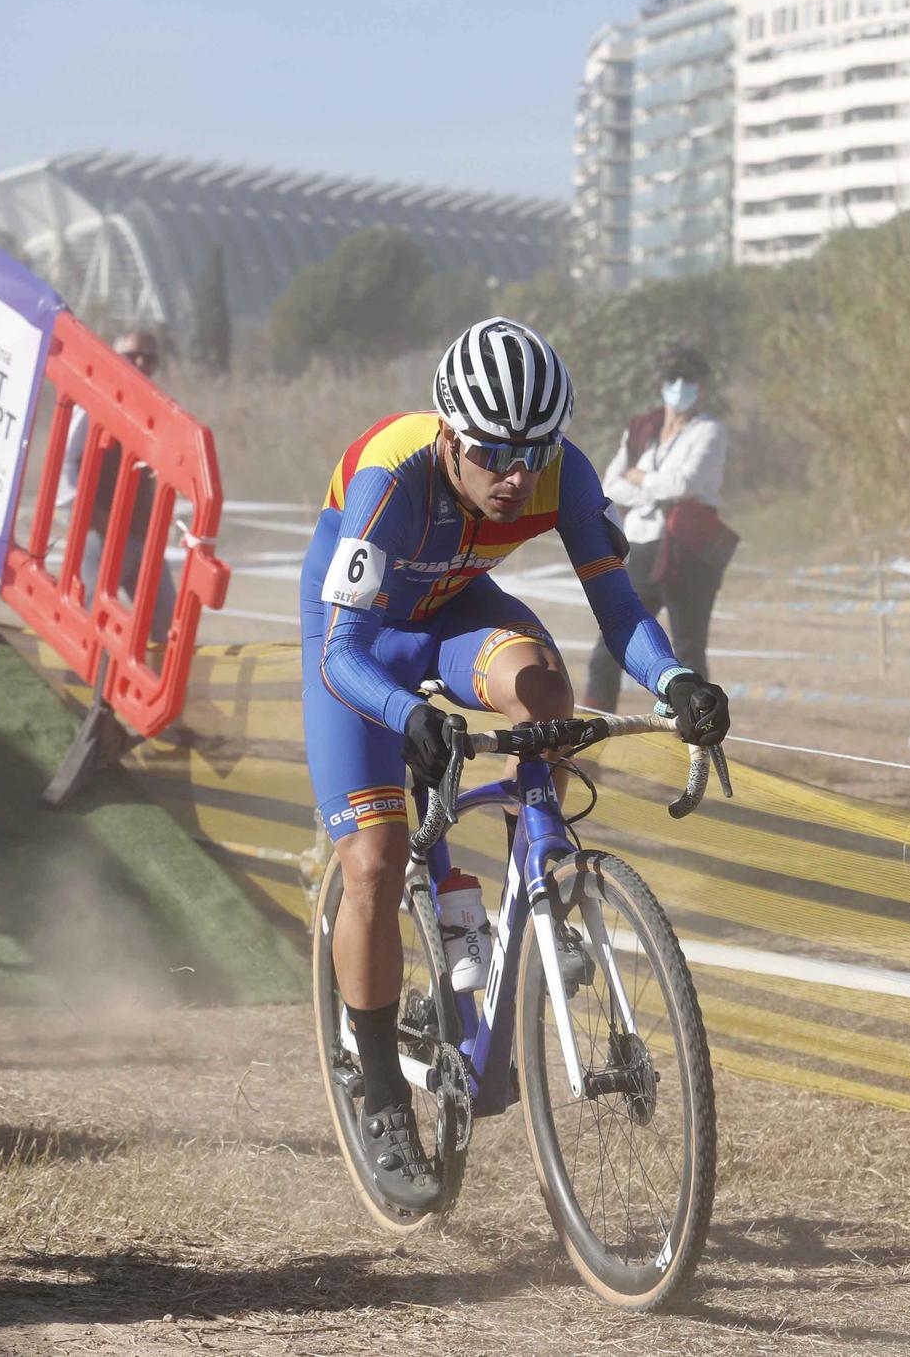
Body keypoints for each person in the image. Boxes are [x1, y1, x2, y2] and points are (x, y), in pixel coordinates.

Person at [300, 316, 731, 1213]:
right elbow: (342, 654)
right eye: (492, 453)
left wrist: (678, 679)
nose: (512, 476)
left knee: (545, 692)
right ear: (450, 435)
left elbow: (618, 609)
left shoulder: (560, 474)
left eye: (530, 454)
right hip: (359, 640)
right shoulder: (391, 475)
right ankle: (380, 1092)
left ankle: (542, 883)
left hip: (456, 608)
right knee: (376, 861)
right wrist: (407, 712)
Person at [583, 342, 732, 713]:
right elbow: (611, 484)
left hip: (688, 554)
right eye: (673, 378)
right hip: (640, 548)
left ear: (701, 385)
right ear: (661, 383)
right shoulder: (641, 429)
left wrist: (640, 479)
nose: (680, 386)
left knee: (688, 651)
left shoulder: (709, 432)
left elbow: (683, 484)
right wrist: (654, 484)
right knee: (609, 648)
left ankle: (696, 745)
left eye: (688, 379)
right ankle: (590, 743)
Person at [57, 329, 175, 644]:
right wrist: (86, 515)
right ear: (114, 359)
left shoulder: (156, 409)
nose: (141, 363)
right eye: (132, 356)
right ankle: (78, 688)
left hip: (141, 537)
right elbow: (64, 463)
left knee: (166, 623)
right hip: (100, 533)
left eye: (149, 358)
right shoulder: (93, 402)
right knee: (87, 621)